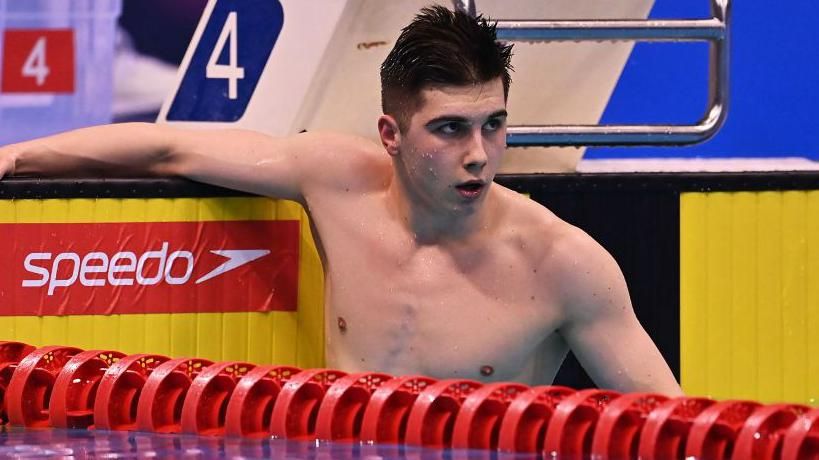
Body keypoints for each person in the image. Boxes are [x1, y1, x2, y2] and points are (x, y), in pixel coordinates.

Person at [0, 6, 682, 395]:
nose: (478, 152)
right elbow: (164, 149)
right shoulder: (336, 179)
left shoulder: (562, 265)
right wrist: (15, 158)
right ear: (390, 133)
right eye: (448, 128)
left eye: (493, 125)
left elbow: (667, 426)